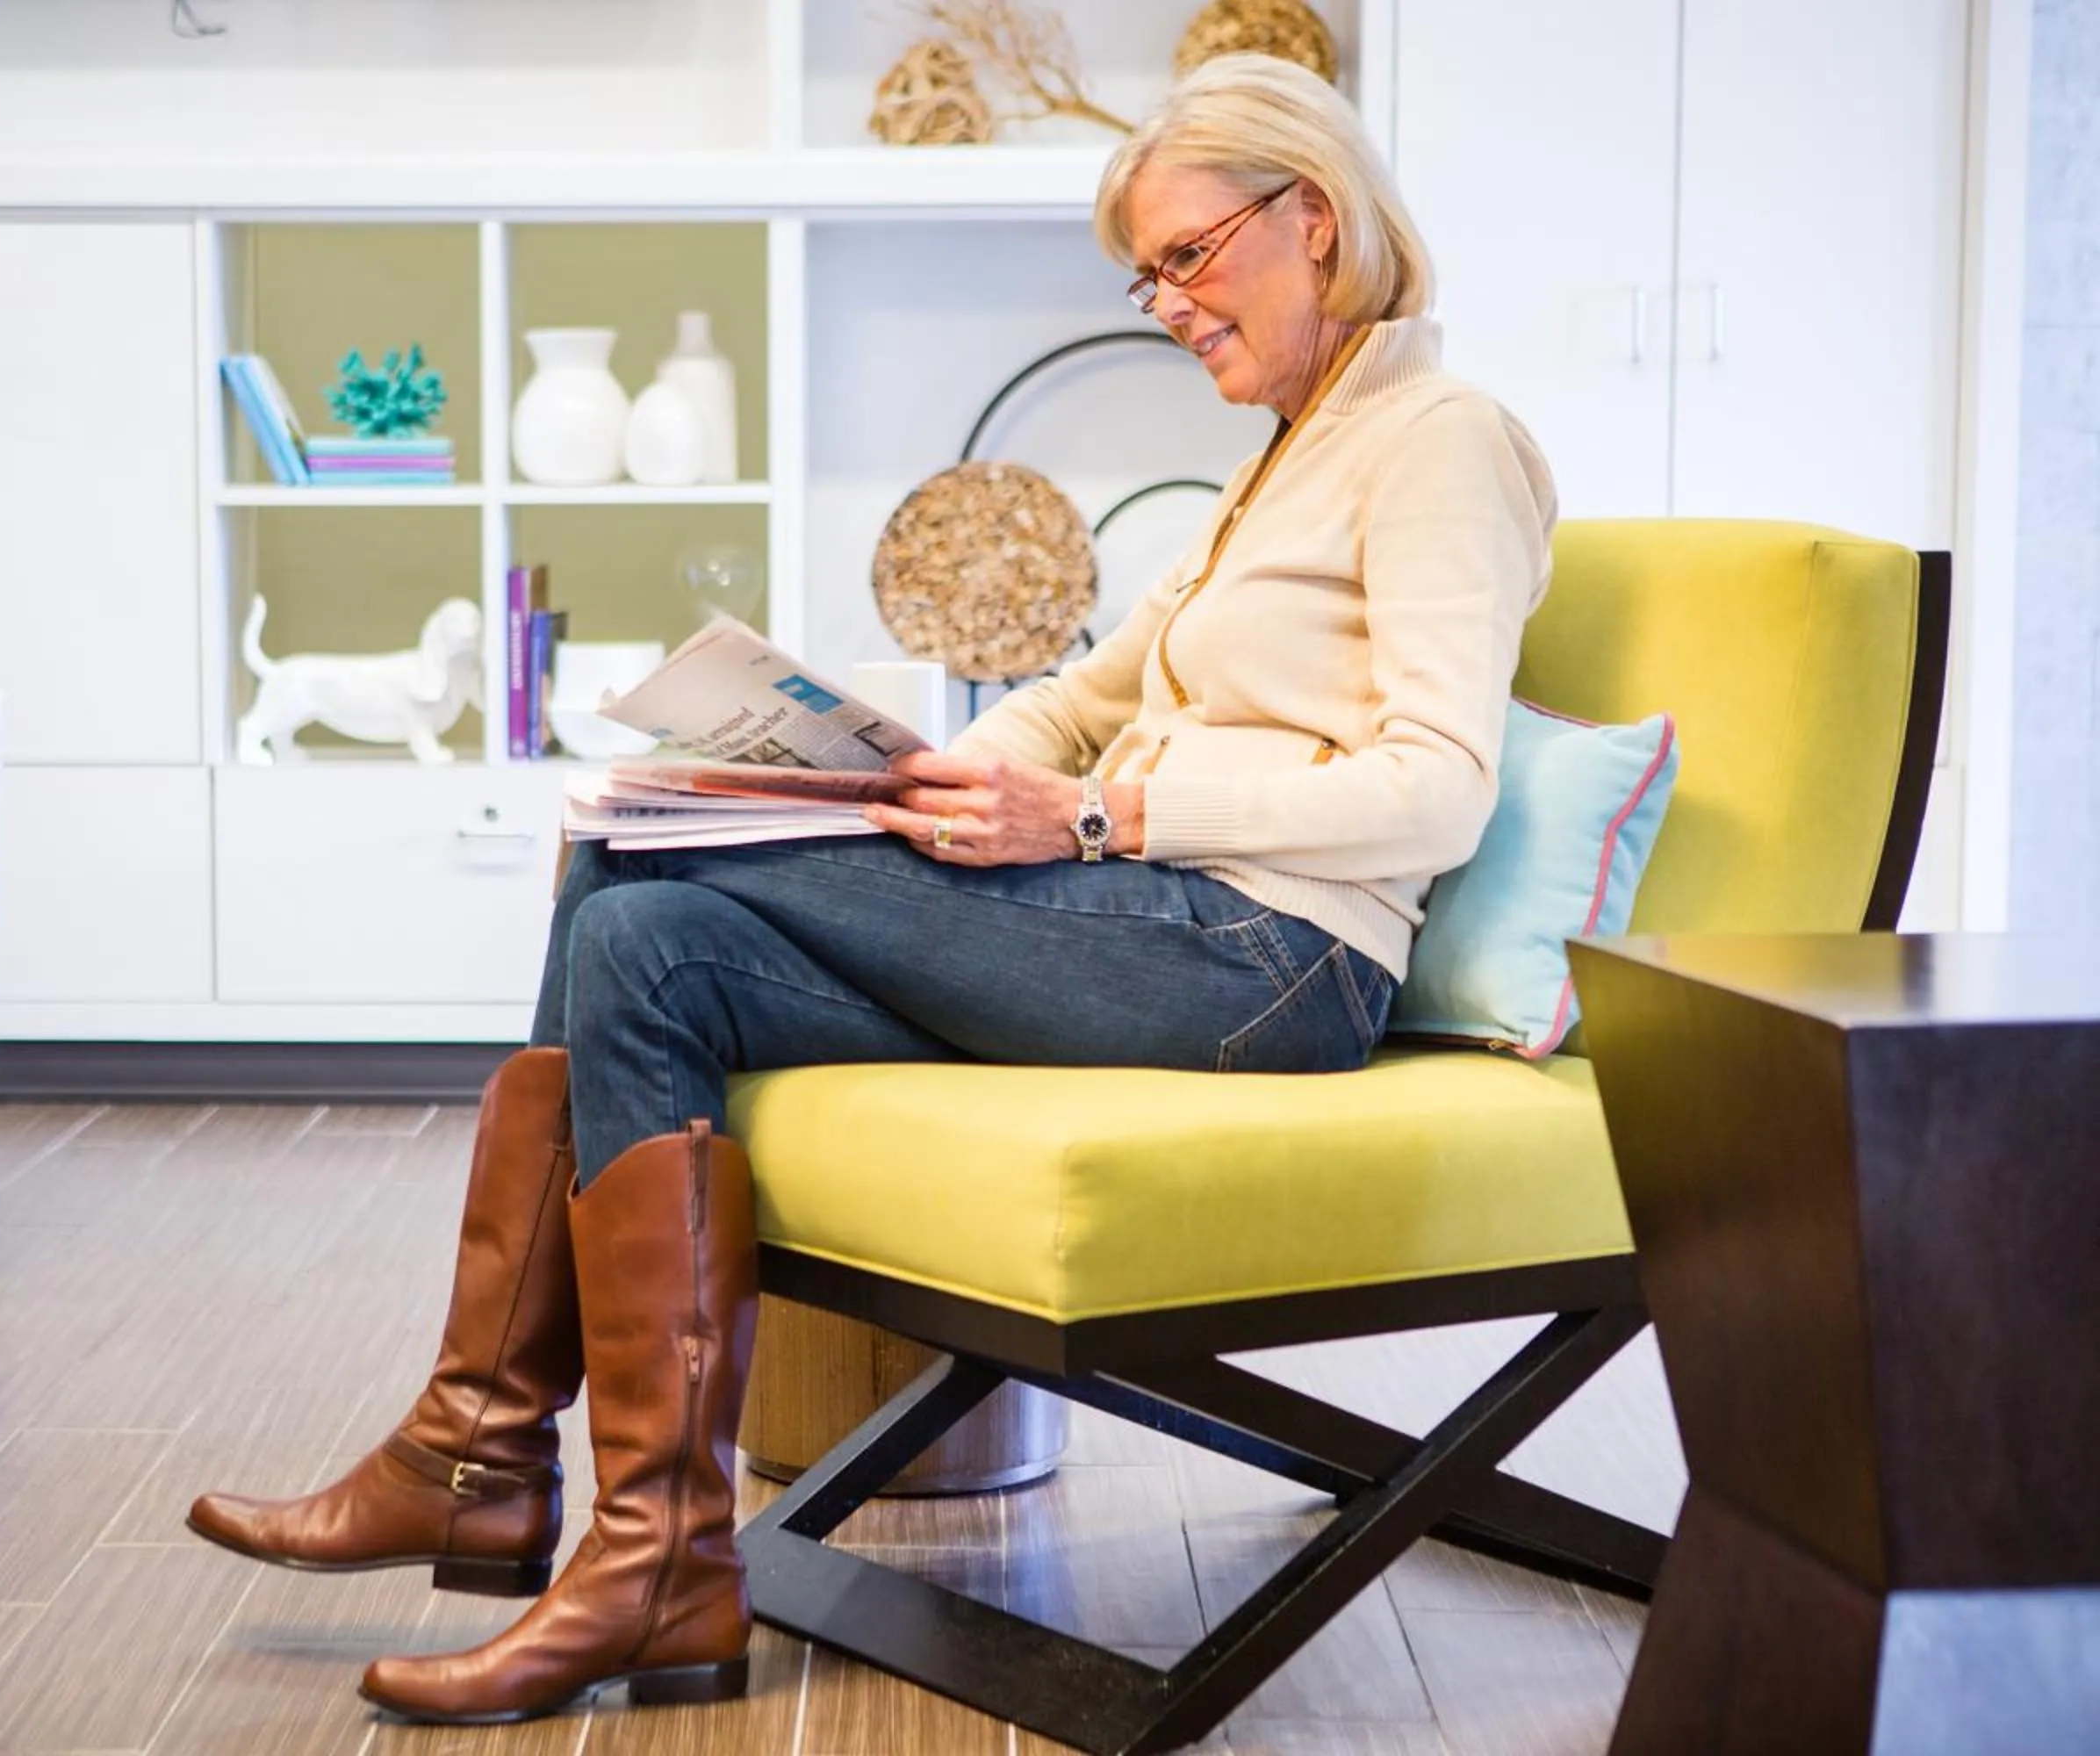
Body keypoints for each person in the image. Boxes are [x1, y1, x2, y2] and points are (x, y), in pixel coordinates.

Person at [188, 51, 1557, 1726]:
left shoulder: (1439, 442)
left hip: (1272, 960)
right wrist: (933, 764)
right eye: (1149, 276)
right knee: (647, 929)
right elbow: (1092, 691)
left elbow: (1439, 783)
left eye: (1189, 259)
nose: (1169, 306)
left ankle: (487, 1453)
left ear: (1316, 223)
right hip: (1163, 922)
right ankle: (657, 1564)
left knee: (624, 839)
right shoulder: (1282, 458)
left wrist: (1103, 819)